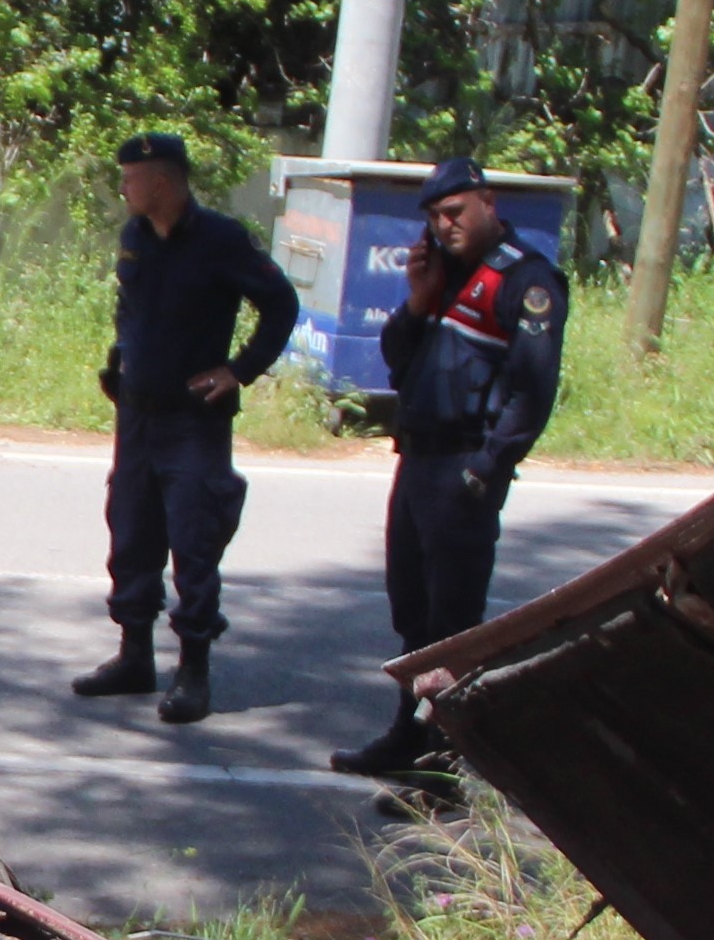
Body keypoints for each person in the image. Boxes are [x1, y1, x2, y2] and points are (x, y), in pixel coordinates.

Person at [335, 158, 569, 785]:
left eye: (455, 211)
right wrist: (417, 301)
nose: (445, 225)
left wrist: (487, 469)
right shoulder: (443, 276)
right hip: (417, 460)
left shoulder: (526, 280)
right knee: (412, 613)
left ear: (487, 203)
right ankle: (408, 735)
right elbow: (397, 361)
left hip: (464, 465)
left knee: (453, 626)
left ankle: (445, 767)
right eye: (435, 217)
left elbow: (533, 392)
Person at [76, 128, 306, 725]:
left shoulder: (221, 240)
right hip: (137, 415)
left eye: (130, 179)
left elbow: (281, 304)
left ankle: (193, 670)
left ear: (160, 182)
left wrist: (240, 370)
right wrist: (119, 361)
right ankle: (134, 656)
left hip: (192, 420)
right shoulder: (135, 236)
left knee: (194, 540)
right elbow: (131, 307)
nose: (123, 189)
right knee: (131, 531)